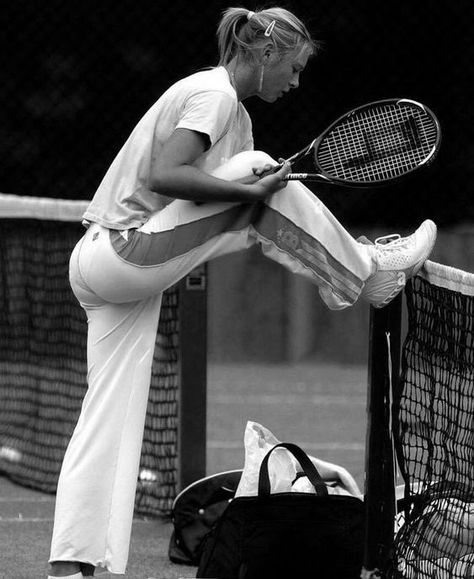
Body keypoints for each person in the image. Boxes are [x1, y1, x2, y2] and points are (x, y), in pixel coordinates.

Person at [47, 6, 437, 578]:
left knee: (107, 413)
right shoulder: (216, 93)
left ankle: (69, 564)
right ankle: (366, 268)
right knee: (257, 172)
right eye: (295, 67)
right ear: (265, 52)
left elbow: (234, 205)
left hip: (102, 269)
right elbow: (166, 175)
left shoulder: (234, 115)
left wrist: (260, 190)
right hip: (124, 251)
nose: (296, 82)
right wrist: (260, 185)